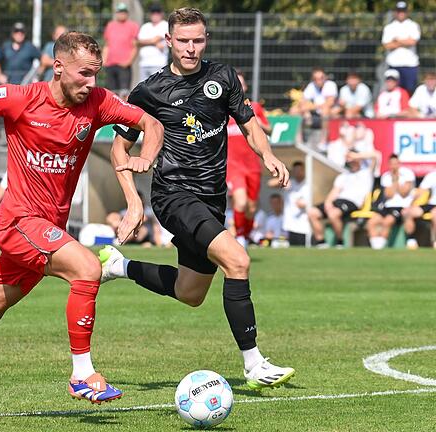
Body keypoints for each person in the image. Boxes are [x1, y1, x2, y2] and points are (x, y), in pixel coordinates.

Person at [0, 31, 164, 417]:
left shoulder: (99, 102)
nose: (92, 83)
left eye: (96, 74)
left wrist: (146, 158)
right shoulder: (20, 98)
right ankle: (82, 375)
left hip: (46, 231)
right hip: (19, 222)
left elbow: (151, 124)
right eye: (84, 74)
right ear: (57, 67)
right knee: (87, 268)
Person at [98, 8, 294, 390]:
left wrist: (268, 155)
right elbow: (119, 150)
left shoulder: (223, 77)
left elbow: (250, 124)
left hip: (211, 199)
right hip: (174, 195)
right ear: (168, 41)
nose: (191, 48)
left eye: (198, 40)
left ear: (206, 40)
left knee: (190, 293)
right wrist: (134, 203)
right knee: (237, 261)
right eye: (183, 40)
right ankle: (254, 364)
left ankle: (119, 267)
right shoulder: (148, 92)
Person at [226, 70, 271, 247]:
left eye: (241, 83)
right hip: (233, 164)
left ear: (244, 87)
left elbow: (269, 129)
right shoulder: (222, 109)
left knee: (251, 208)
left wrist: (254, 122)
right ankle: (240, 238)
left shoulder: (254, 107)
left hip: (252, 164)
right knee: (241, 201)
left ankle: (246, 234)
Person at [307, 158, 373, 248]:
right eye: (350, 160)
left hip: (353, 203)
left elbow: (376, 156)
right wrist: (328, 203)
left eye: (353, 159)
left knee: (333, 214)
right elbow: (335, 191)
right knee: (312, 212)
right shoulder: (343, 176)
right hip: (338, 201)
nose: (351, 163)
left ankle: (340, 241)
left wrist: (356, 155)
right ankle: (321, 242)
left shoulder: (366, 173)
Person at [367, 154, 415, 249]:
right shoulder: (385, 176)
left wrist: (396, 180)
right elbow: (389, 194)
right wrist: (393, 181)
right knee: (371, 222)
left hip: (401, 207)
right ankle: (375, 246)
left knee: (387, 222)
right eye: (392, 164)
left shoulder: (407, 174)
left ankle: (380, 246)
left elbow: (403, 193)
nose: (394, 166)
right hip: (387, 206)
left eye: (396, 164)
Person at [382, 1, 420, 95]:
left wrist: (397, 40)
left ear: (407, 12)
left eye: (403, 11)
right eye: (399, 11)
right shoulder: (389, 27)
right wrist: (405, 41)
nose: (401, 13)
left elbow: (413, 41)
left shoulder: (413, 25)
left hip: (410, 64)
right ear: (395, 12)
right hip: (394, 63)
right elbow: (387, 45)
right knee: (395, 91)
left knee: (409, 90)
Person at [102, 3, 139, 94]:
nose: (121, 13)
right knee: (112, 93)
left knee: (124, 93)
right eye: (119, 11)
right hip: (110, 65)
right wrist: (103, 60)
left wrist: (128, 62)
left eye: (123, 11)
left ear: (127, 13)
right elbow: (107, 45)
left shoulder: (132, 26)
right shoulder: (110, 25)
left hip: (124, 65)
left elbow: (135, 46)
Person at [271, 161, 309, 246]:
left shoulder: (308, 184)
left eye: (299, 170)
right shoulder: (289, 182)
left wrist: (303, 204)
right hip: (289, 224)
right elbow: (270, 184)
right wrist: (282, 179)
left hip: (304, 224)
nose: (297, 173)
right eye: (295, 171)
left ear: (304, 171)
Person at [403, 169, 436, 249]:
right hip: (431, 204)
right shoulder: (432, 175)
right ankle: (411, 241)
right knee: (407, 212)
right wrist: (410, 204)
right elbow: (420, 191)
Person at [137, 3, 169, 82]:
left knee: (158, 88)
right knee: (144, 89)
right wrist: (153, 42)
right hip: (144, 63)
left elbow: (155, 39)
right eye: (153, 12)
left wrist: (146, 41)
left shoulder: (165, 25)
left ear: (161, 14)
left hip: (159, 63)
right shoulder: (145, 26)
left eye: (157, 12)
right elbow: (138, 42)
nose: (155, 15)